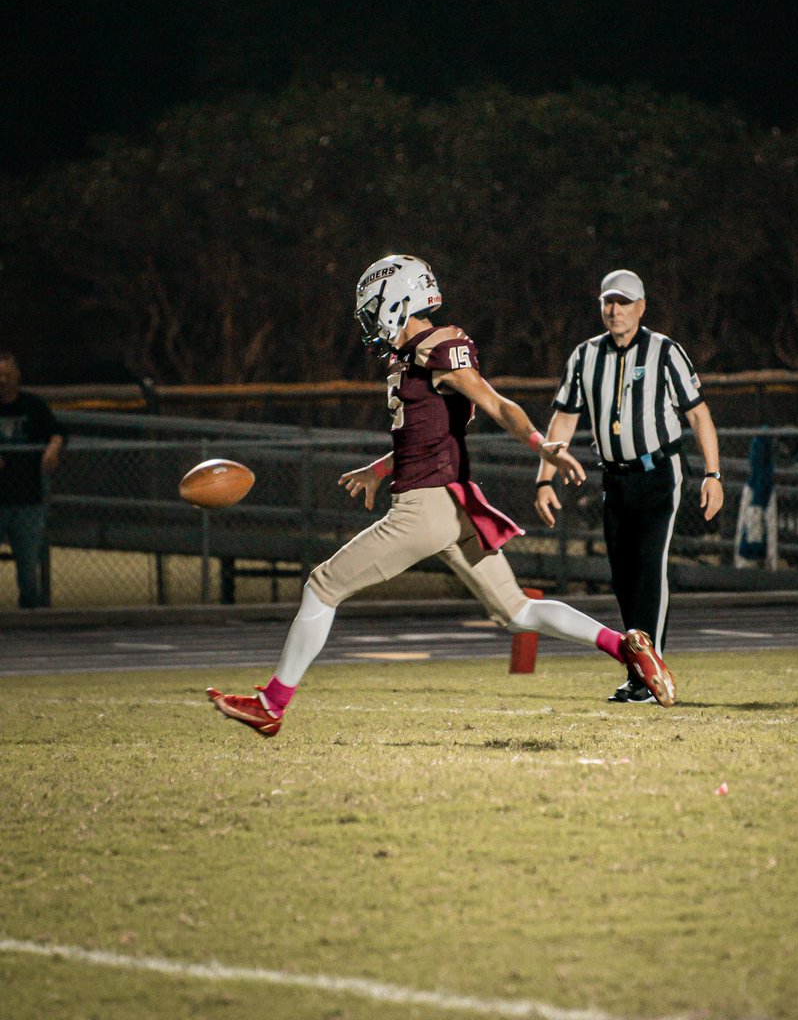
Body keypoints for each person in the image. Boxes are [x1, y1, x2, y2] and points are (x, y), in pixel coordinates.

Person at [208, 255, 676, 737]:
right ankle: (626, 647)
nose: (370, 321)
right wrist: (381, 467)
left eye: (374, 309)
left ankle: (271, 703)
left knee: (321, 587)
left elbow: (494, 403)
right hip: (453, 504)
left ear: (398, 300)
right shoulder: (414, 353)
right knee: (516, 612)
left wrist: (542, 446)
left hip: (426, 506)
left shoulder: (437, 347)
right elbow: (433, 427)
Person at [534, 269, 724, 703]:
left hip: (659, 471)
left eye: (623, 302)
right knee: (622, 575)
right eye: (608, 302)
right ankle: (640, 665)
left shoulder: (665, 351)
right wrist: (544, 478)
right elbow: (563, 418)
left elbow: (698, 415)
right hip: (615, 476)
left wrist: (713, 475)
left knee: (649, 567)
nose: (615, 310)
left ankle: (645, 676)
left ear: (641, 307)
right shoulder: (585, 356)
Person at [0, 351, 64, 608]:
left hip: (27, 498)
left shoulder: (33, 405)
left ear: (17, 376)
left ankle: (30, 608)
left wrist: (53, 447)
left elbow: (56, 432)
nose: (2, 381)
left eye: (7, 375)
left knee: (27, 562)